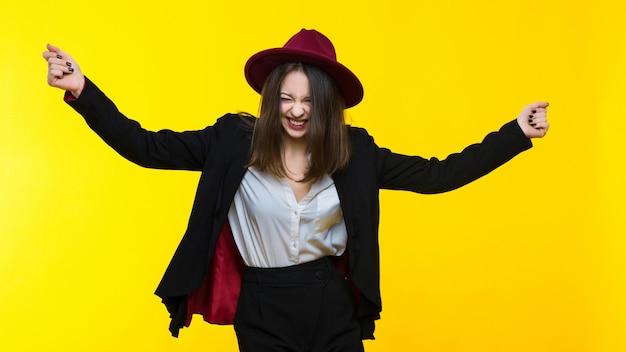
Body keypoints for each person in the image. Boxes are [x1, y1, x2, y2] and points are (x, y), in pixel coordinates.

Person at [43, 29, 549, 352]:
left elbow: (440, 176)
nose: (296, 110)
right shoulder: (230, 142)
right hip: (263, 304)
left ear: (327, 104)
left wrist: (516, 134)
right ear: (270, 100)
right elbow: (145, 147)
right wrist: (81, 90)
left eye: (308, 100)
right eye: (285, 98)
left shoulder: (357, 152)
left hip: (333, 303)